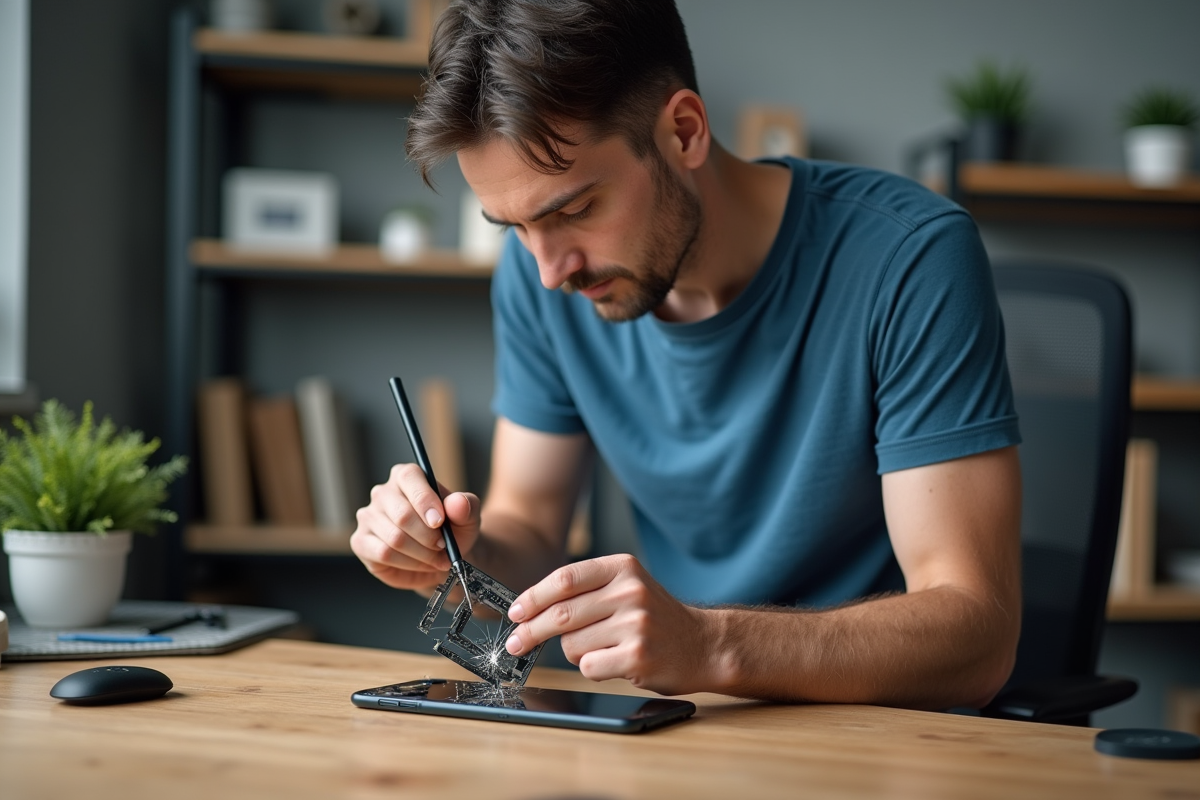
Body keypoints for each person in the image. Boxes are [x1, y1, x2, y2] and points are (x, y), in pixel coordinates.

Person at [351, 0, 1022, 710]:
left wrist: (708, 644)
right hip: (683, 726)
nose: (550, 270)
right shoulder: (538, 275)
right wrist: (450, 557)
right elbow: (533, 530)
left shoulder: (909, 258)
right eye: (511, 227)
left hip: (879, 736)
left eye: (573, 210)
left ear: (683, 131)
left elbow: (977, 634)